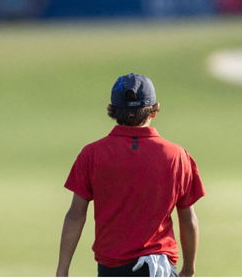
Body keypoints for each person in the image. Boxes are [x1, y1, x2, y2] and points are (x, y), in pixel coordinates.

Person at [55, 73, 205, 277]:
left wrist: (62, 271)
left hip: (112, 269)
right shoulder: (177, 155)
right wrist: (189, 269)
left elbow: (75, 215)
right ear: (154, 110)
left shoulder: (92, 154)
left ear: (112, 109)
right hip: (160, 267)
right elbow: (188, 219)